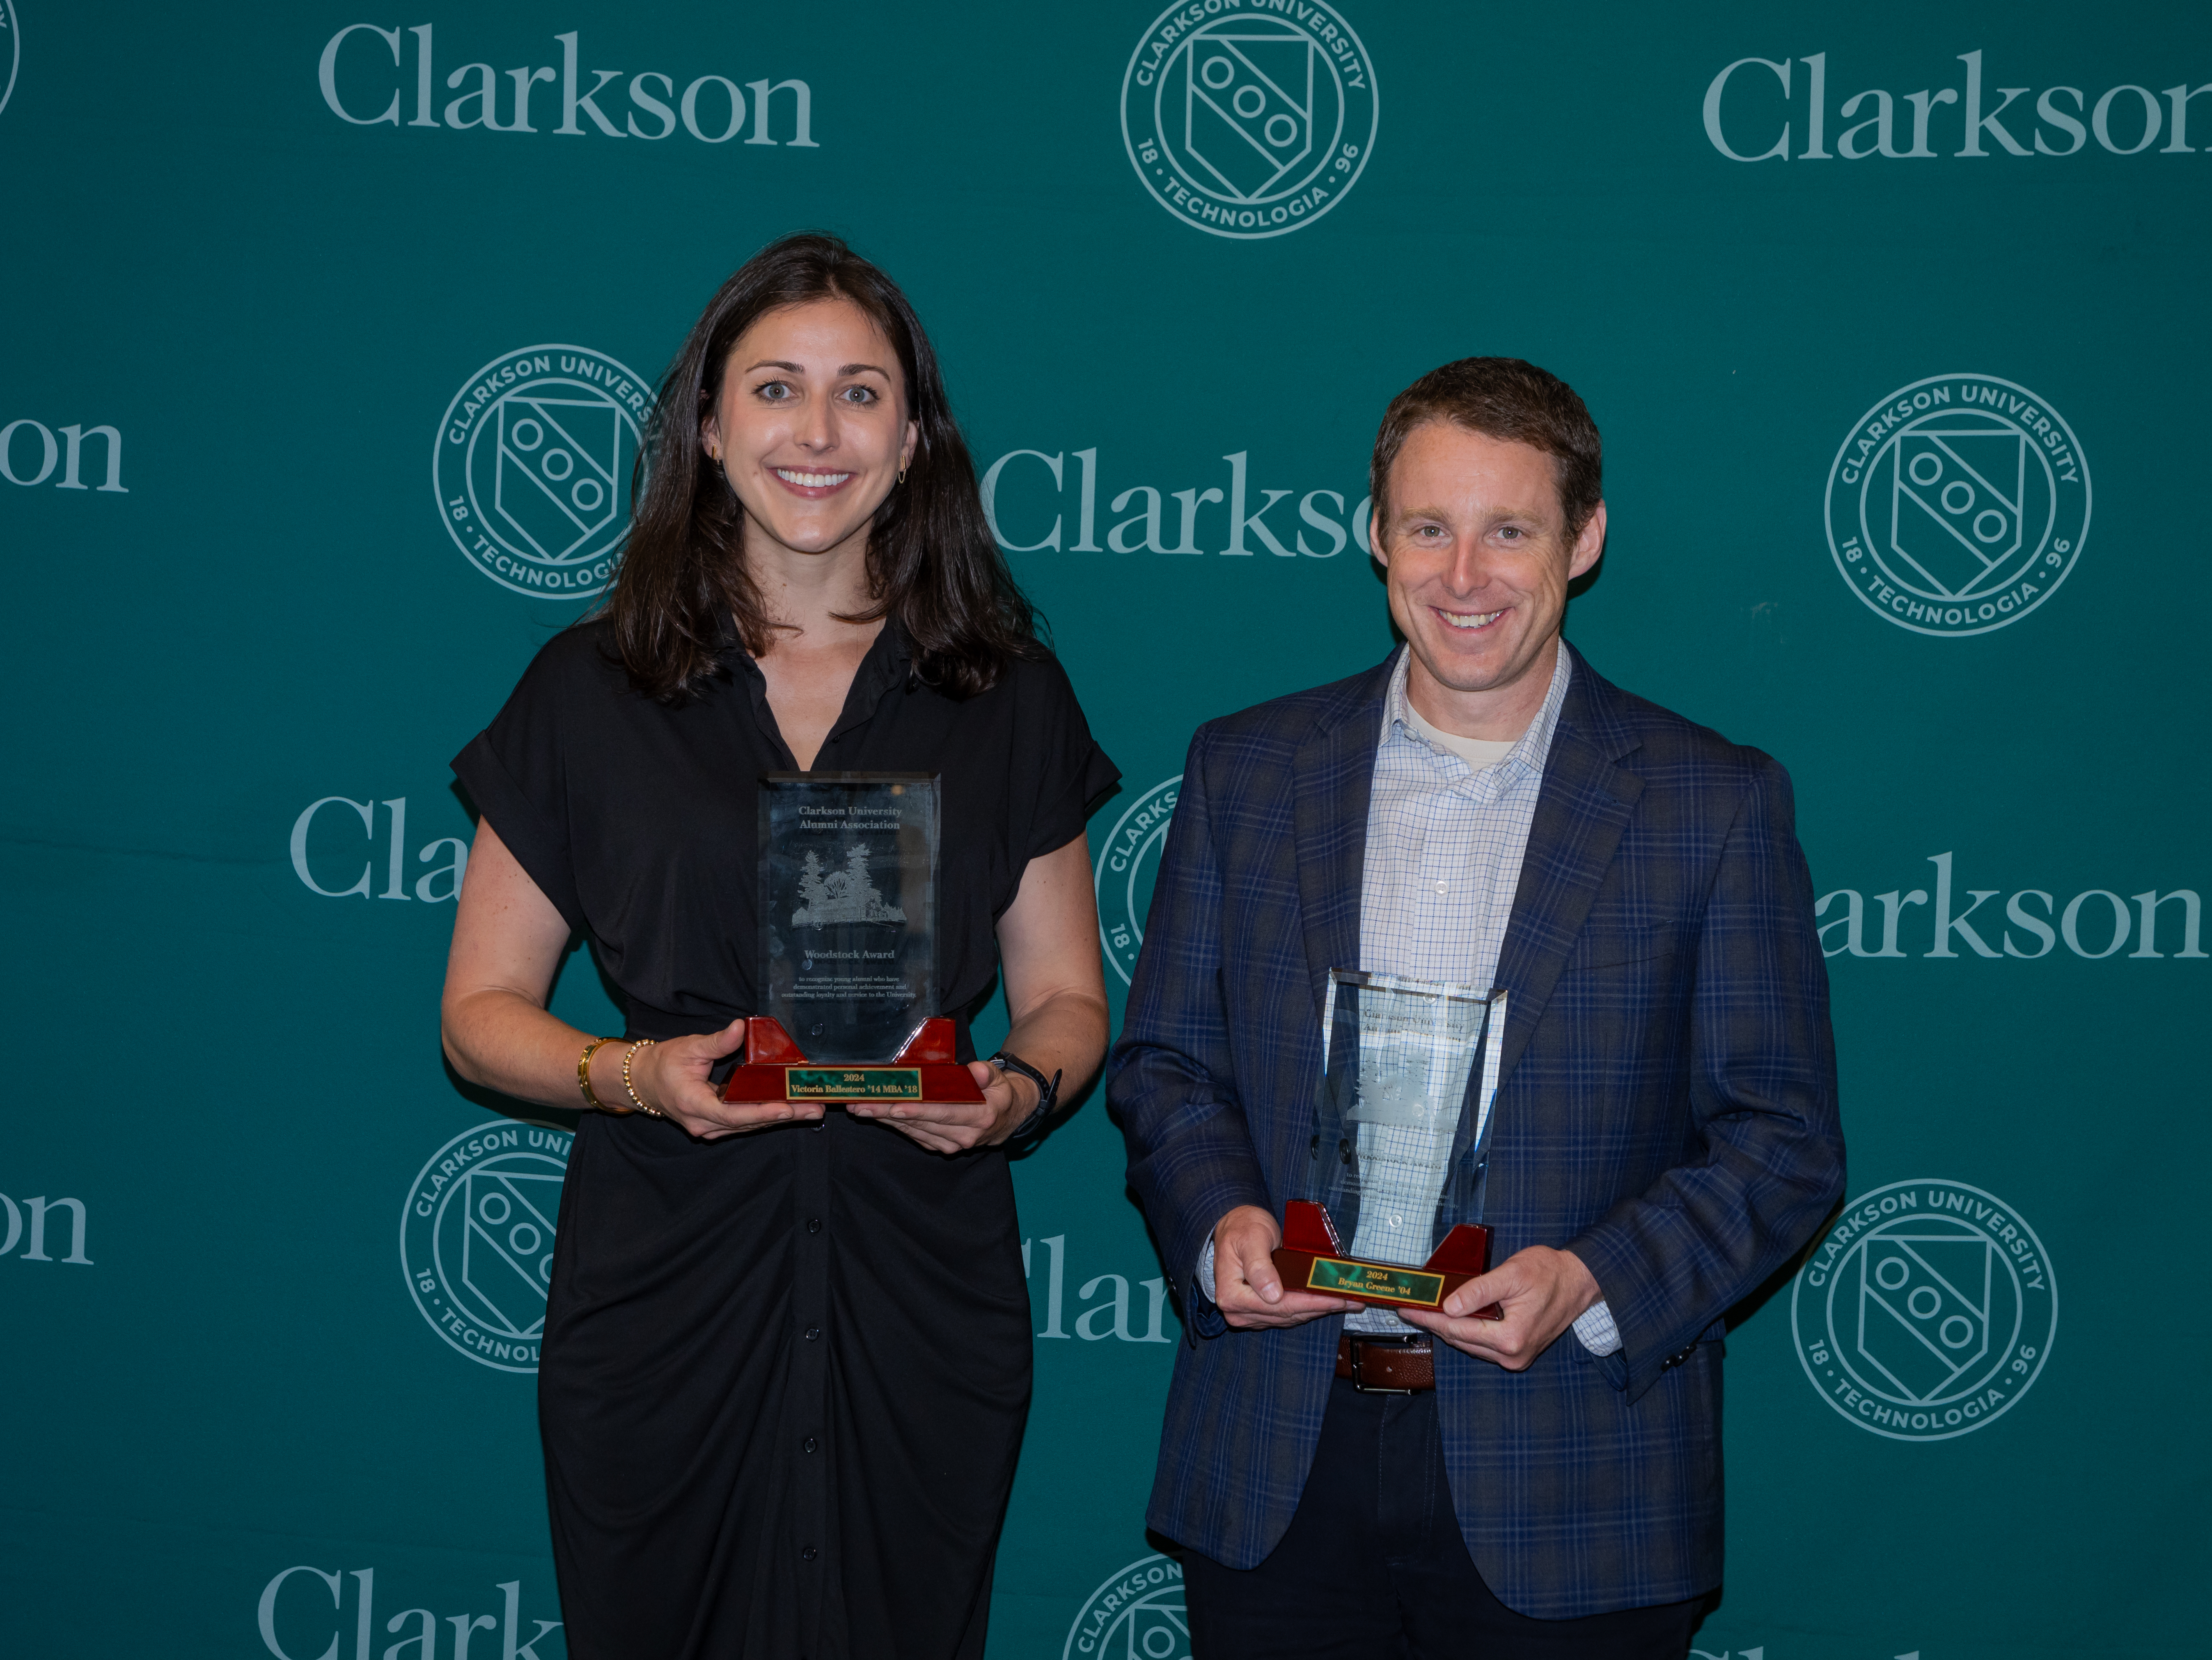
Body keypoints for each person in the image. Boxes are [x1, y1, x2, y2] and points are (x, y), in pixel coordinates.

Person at [439, 233, 1118, 1660]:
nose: (818, 433)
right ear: (708, 422)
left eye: (861, 393)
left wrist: (1015, 1095)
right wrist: (639, 1074)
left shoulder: (1006, 694)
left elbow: (1065, 1001)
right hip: (666, 1299)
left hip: (920, 1300)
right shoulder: (587, 689)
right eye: (777, 389)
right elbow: (481, 1013)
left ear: (916, 435)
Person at [1111, 358, 1844, 1657]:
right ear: (1373, 533)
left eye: (1510, 530)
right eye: (1430, 528)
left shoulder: (1709, 804)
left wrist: (1591, 1281)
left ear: (1587, 539)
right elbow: (1168, 1061)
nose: (1465, 576)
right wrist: (1219, 1210)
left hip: (1575, 1474)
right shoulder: (1247, 768)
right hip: (1283, 1451)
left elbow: (1782, 1142)